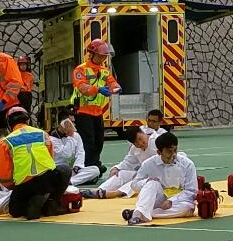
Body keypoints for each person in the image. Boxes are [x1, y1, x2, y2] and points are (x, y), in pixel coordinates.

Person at [124, 131, 199, 225]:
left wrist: (172, 201)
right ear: (159, 152)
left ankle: (140, 213)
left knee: (187, 209)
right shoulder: (149, 164)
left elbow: (192, 191)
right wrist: (146, 181)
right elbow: (134, 184)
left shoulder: (187, 164)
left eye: (175, 150)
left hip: (178, 201)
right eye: (169, 151)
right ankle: (140, 213)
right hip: (157, 200)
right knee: (152, 183)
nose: (173, 154)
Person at [73, 38, 120, 169]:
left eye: (104, 56)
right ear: (92, 54)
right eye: (100, 56)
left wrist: (116, 87)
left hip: (97, 111)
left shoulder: (104, 70)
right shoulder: (80, 70)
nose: (103, 59)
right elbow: (82, 87)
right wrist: (98, 89)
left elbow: (111, 81)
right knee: (88, 141)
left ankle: (94, 164)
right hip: (83, 111)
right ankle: (90, 166)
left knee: (99, 141)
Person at [85, 126, 157, 198]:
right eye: (136, 143)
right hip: (144, 174)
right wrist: (116, 168)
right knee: (121, 173)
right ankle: (100, 190)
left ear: (143, 132)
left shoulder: (156, 141)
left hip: (158, 177)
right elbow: (128, 162)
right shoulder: (134, 149)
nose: (140, 143)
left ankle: (117, 193)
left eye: (140, 138)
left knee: (138, 179)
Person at [49, 117, 102, 186]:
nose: (74, 125)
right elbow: (66, 155)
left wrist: (77, 166)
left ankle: (70, 182)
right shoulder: (52, 139)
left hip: (73, 169)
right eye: (72, 122)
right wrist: (70, 136)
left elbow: (81, 152)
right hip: (60, 169)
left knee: (95, 170)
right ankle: (80, 180)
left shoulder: (76, 135)